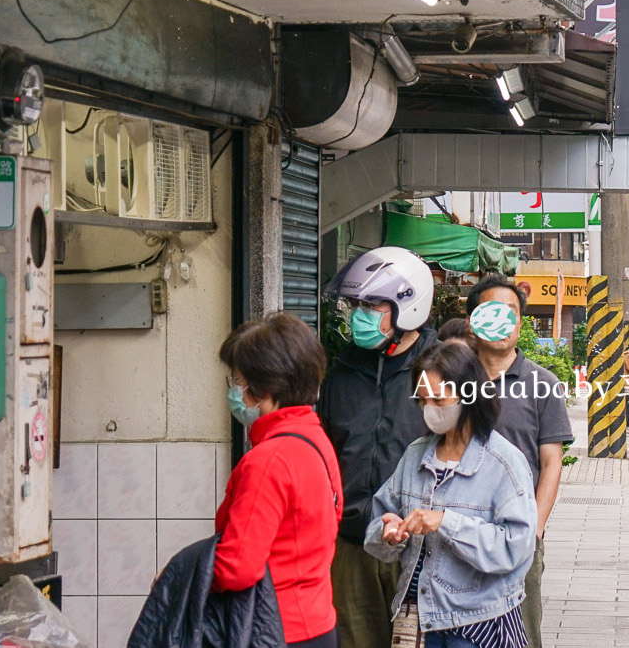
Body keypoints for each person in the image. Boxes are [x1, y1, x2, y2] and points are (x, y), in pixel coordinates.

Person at [367, 339, 537, 648]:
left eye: (438, 400)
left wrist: (445, 522)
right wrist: (388, 531)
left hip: (479, 624)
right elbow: (380, 519)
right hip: (417, 619)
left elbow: (516, 549)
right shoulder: (414, 456)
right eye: (422, 400)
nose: (428, 410)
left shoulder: (504, 463)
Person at [319, 247, 439, 648]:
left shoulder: (442, 373)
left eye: (372, 304)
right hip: (353, 545)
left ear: (409, 306)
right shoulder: (341, 374)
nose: (360, 315)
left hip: (423, 549)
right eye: (357, 304)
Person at [213, 312, 342, 648]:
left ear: (265, 388)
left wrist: (182, 577)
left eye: (239, 381)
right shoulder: (315, 438)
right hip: (317, 622)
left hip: (276, 629)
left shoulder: (269, 459)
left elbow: (237, 567)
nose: (236, 391)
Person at [464, 274, 574, 648]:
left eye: (511, 312)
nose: (502, 320)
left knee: (521, 636)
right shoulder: (449, 382)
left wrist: (535, 530)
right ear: (472, 321)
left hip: (516, 535)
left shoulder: (543, 384)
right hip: (456, 532)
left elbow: (551, 463)